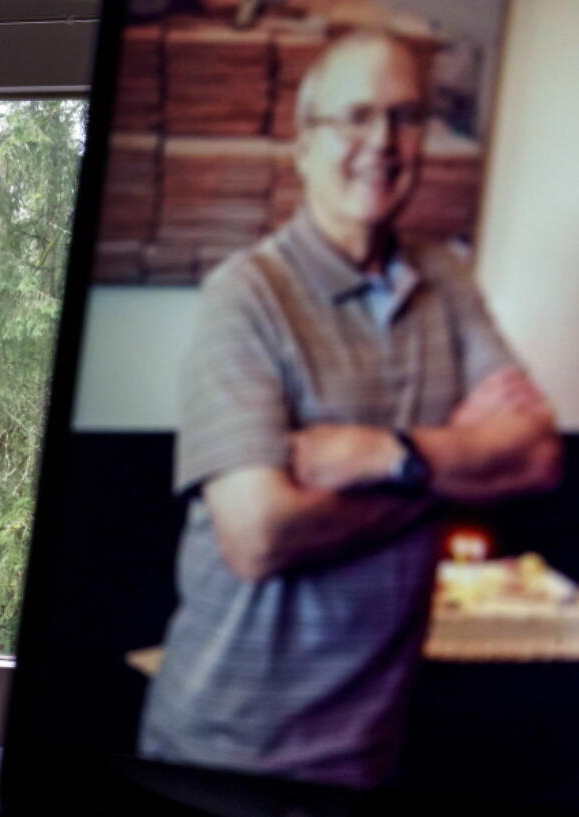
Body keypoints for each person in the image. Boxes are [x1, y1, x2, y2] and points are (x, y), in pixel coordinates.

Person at [138, 30, 561, 789]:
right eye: (356, 116)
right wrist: (443, 467)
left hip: (371, 751)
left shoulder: (447, 278)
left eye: (405, 116)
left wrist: (381, 454)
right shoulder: (246, 295)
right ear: (303, 145)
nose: (384, 142)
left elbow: (537, 454)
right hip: (226, 751)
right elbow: (259, 536)